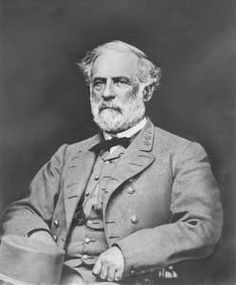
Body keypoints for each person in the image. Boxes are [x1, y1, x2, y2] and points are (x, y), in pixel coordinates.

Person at [0, 41, 223, 284]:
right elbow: (22, 210)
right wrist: (38, 235)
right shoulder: (68, 155)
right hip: (55, 277)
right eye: (99, 83)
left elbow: (201, 226)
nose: (106, 93)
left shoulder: (182, 153)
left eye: (120, 81)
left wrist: (126, 253)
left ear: (145, 91)